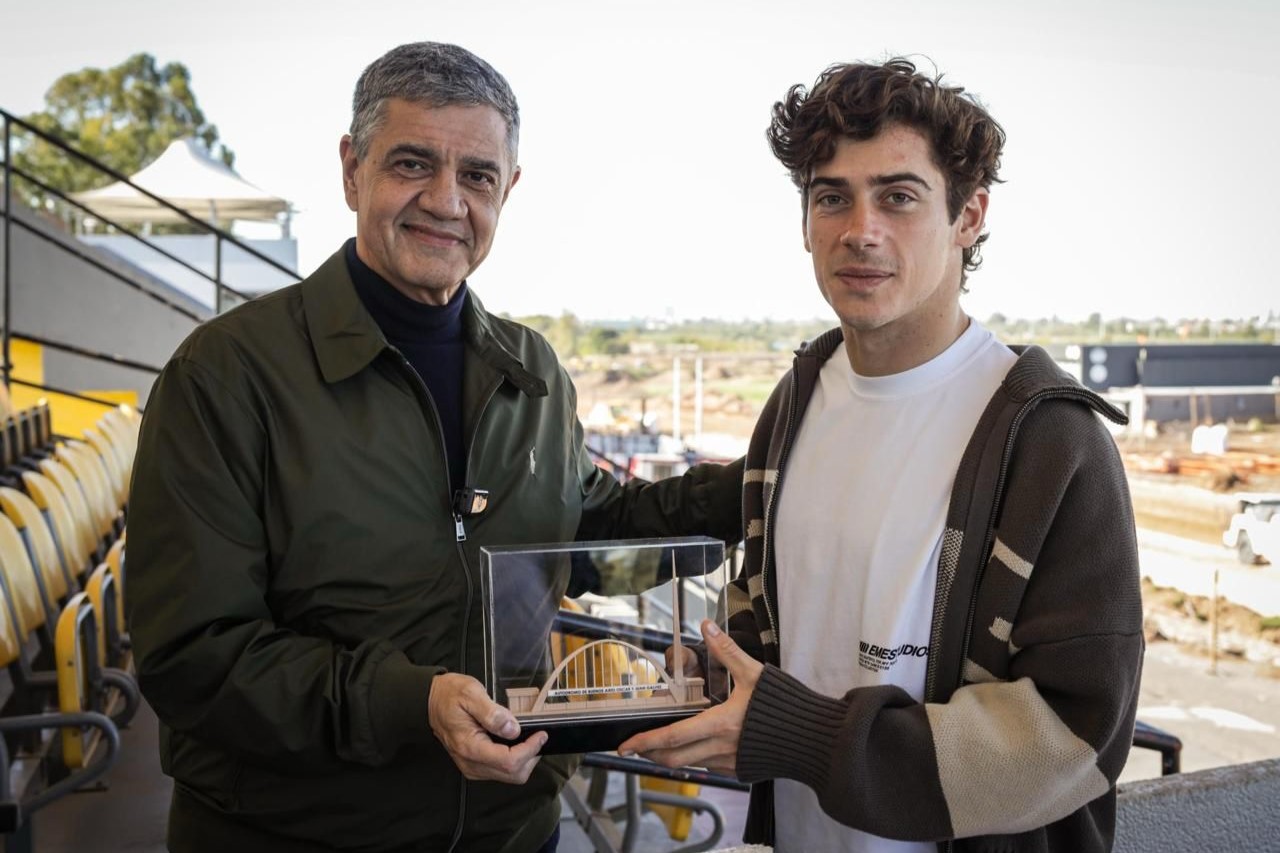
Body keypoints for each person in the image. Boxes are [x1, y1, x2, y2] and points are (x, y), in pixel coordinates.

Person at [126, 42, 742, 853]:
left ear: (508, 189)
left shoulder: (533, 373)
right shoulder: (227, 376)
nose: (446, 201)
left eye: (478, 175)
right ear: (352, 170)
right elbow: (191, 655)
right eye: (413, 163)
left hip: (510, 831)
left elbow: (581, 536)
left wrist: (749, 491)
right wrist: (409, 702)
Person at [620, 58, 1142, 853]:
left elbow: (1071, 740)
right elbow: (775, 624)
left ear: (969, 216)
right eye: (831, 196)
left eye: (899, 196)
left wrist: (805, 736)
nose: (860, 228)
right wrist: (704, 677)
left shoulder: (1050, 443)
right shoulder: (795, 404)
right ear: (804, 222)